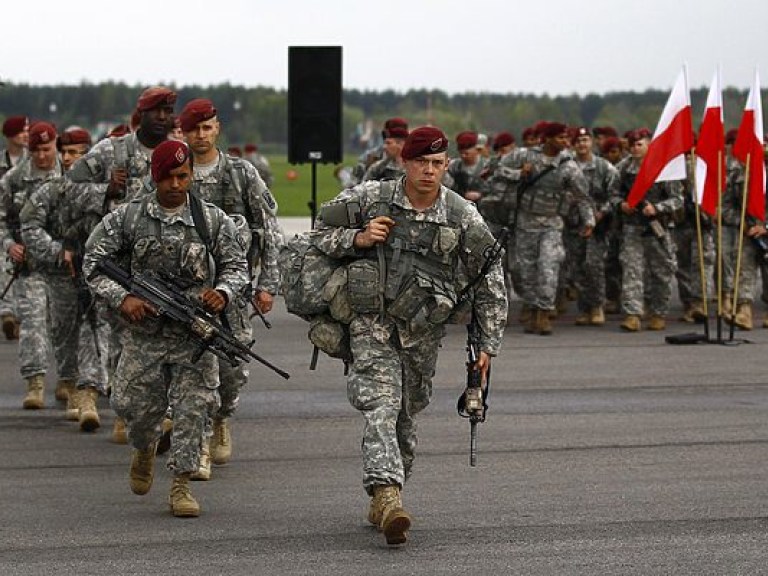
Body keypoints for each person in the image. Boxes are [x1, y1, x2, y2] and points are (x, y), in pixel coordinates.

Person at [313, 126, 507, 546]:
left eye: (437, 164)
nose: (429, 171)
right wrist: (357, 238)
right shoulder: (370, 198)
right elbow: (318, 232)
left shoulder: (461, 215)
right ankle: (386, 495)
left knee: (406, 416)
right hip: (372, 324)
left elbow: (489, 275)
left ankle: (390, 490)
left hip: (423, 333)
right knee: (381, 406)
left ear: (446, 166)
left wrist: (487, 345)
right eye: (422, 162)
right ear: (405, 161)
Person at [83, 139, 248, 518]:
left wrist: (222, 293)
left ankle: (182, 485)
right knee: (133, 408)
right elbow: (93, 262)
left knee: (196, 408)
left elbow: (237, 267)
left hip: (195, 335)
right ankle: (145, 447)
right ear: (155, 177)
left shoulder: (211, 220)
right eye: (169, 177)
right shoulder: (128, 218)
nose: (176, 184)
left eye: (183, 176)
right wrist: (123, 298)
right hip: (145, 335)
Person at [178, 98, 283, 477]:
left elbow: (269, 230)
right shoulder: (175, 170)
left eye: (207, 128)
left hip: (234, 290)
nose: (200, 135)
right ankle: (200, 444)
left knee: (233, 366)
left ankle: (223, 416)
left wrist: (268, 284)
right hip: (186, 293)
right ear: (183, 132)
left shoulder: (241, 174)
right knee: (194, 371)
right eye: (193, 129)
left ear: (217, 128)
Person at [67, 85, 177, 441]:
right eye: (155, 111)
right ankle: (122, 410)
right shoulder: (112, 152)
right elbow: (68, 188)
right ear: (140, 114)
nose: (162, 117)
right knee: (119, 340)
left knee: (165, 341)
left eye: (167, 111)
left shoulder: (177, 154)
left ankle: (163, 413)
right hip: (118, 268)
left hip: (164, 268)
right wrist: (105, 191)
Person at [20, 127, 106, 430]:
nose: (69, 158)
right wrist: (58, 251)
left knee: (95, 330)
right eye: (66, 152)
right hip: (61, 275)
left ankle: (88, 392)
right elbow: (29, 225)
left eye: (77, 153)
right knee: (63, 332)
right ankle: (69, 382)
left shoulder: (104, 190)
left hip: (99, 275)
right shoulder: (51, 190)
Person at [503, 122, 595, 335]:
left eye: (566, 138)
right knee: (524, 271)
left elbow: (582, 197)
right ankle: (532, 308)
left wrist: (588, 221)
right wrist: (519, 174)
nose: (565, 142)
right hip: (525, 223)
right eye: (560, 137)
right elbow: (498, 169)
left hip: (552, 225)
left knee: (548, 267)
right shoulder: (524, 156)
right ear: (548, 138)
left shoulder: (569, 166)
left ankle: (544, 313)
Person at [0, 122, 61, 409]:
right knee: (34, 324)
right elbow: (1, 220)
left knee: (65, 326)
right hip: (32, 266)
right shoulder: (14, 179)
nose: (41, 156)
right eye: (35, 150)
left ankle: (69, 381)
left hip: (65, 266)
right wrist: (9, 244)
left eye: (46, 149)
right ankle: (35, 382)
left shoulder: (72, 174)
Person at [612, 130, 683, 331]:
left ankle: (658, 312)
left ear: (650, 144)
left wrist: (658, 208)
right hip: (632, 227)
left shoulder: (663, 168)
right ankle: (633, 314)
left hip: (657, 228)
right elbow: (613, 195)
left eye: (639, 144)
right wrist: (622, 205)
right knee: (632, 270)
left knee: (661, 272)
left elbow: (678, 200)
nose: (635, 148)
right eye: (632, 145)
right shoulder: (623, 169)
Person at [569, 127, 620, 325]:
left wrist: (601, 213)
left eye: (585, 140)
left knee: (595, 266)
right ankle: (584, 308)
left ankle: (598, 305)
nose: (582, 144)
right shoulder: (568, 167)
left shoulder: (605, 168)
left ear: (591, 142)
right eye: (578, 141)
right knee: (577, 267)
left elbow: (614, 196)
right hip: (574, 225)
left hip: (599, 226)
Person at [0, 115, 29, 339]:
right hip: (4, 222)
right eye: (21, 130)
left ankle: (16, 315)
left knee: (24, 271)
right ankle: (7, 312)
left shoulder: (32, 161)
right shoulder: (1, 162)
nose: (26, 134)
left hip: (29, 224)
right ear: (10, 135)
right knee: (4, 263)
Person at [447, 131, 489, 202]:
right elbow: (447, 186)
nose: (463, 156)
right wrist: (463, 194)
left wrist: (481, 194)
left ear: (476, 150)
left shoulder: (487, 165)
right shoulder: (454, 166)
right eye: (461, 153)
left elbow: (495, 188)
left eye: (467, 153)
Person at [362, 118, 408, 182]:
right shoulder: (377, 165)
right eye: (385, 142)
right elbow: (362, 184)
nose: (384, 147)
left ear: (400, 144)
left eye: (388, 143)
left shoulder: (413, 164)